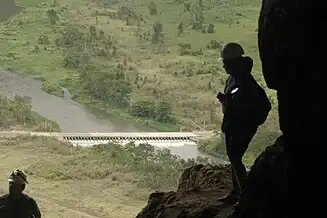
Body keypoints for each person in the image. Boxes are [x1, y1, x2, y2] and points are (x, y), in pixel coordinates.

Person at [216, 42, 271, 205]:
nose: (224, 65)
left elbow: (242, 106)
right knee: (233, 157)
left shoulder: (244, 82)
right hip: (234, 123)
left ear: (234, 62)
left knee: (235, 157)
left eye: (226, 62)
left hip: (242, 125)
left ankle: (246, 196)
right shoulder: (234, 78)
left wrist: (229, 105)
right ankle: (237, 192)